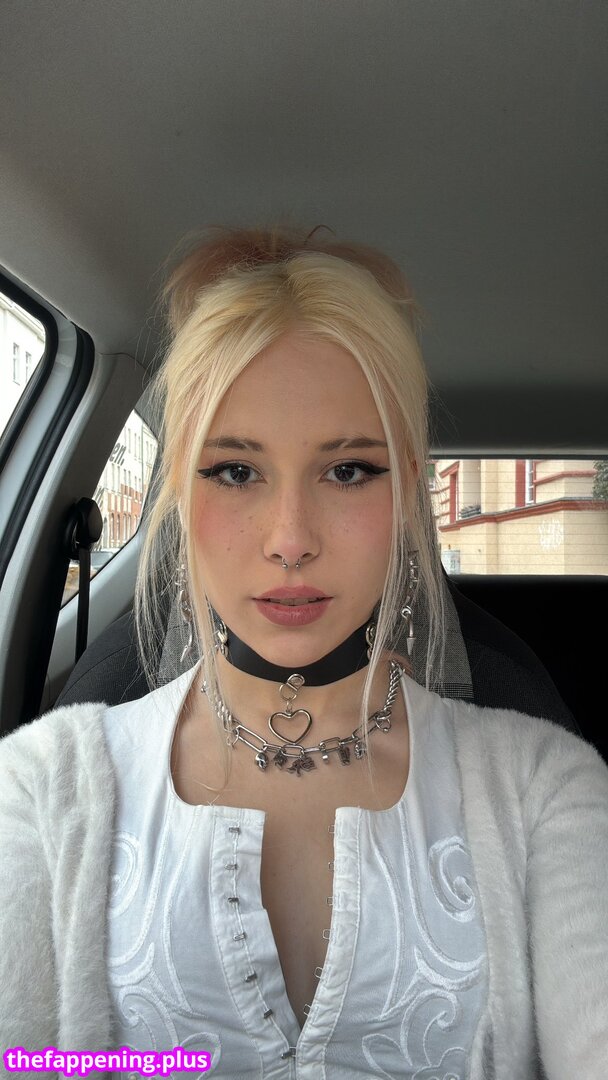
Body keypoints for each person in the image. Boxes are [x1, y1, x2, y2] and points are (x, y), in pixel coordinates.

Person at [1, 224, 607, 1079]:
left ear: (409, 491)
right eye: (235, 471)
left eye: (348, 470)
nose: (290, 540)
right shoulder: (40, 789)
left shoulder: (546, 790)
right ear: (179, 492)